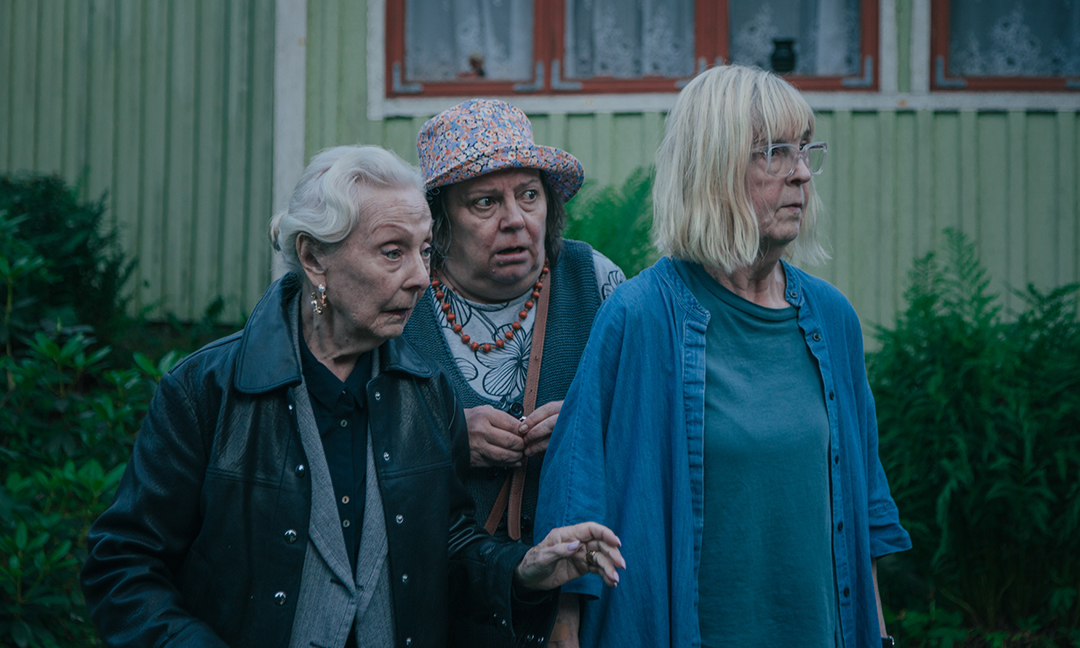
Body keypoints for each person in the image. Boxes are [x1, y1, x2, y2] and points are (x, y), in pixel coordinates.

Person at [80, 145, 625, 648]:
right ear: (314, 258)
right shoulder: (208, 391)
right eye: (392, 253)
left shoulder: (425, 392)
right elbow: (123, 564)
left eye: (424, 251)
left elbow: (447, 550)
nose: (419, 277)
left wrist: (523, 570)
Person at [534, 65, 912, 648]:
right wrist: (565, 629)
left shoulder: (832, 319)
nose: (802, 172)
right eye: (776, 153)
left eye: (805, 149)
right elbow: (576, 502)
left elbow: (861, 512)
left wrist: (878, 636)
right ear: (713, 168)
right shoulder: (640, 316)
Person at [402, 99, 625, 646]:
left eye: (529, 195)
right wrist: (446, 436)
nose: (515, 220)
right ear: (438, 221)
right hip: (436, 602)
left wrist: (587, 429)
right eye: (485, 202)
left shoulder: (597, 282)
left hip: (580, 605)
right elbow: (347, 434)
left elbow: (654, 424)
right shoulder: (402, 296)